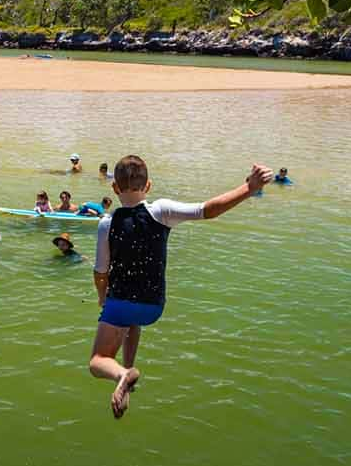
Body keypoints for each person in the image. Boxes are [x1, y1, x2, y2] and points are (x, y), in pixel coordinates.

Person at [91, 156, 273, 419]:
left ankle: (121, 373)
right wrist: (249, 188)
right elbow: (208, 210)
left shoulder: (107, 224)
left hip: (120, 301)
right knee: (133, 320)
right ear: (149, 186)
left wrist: (101, 297)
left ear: (115, 189)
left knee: (97, 360)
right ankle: (128, 369)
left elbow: (100, 272)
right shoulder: (162, 211)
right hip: (152, 306)